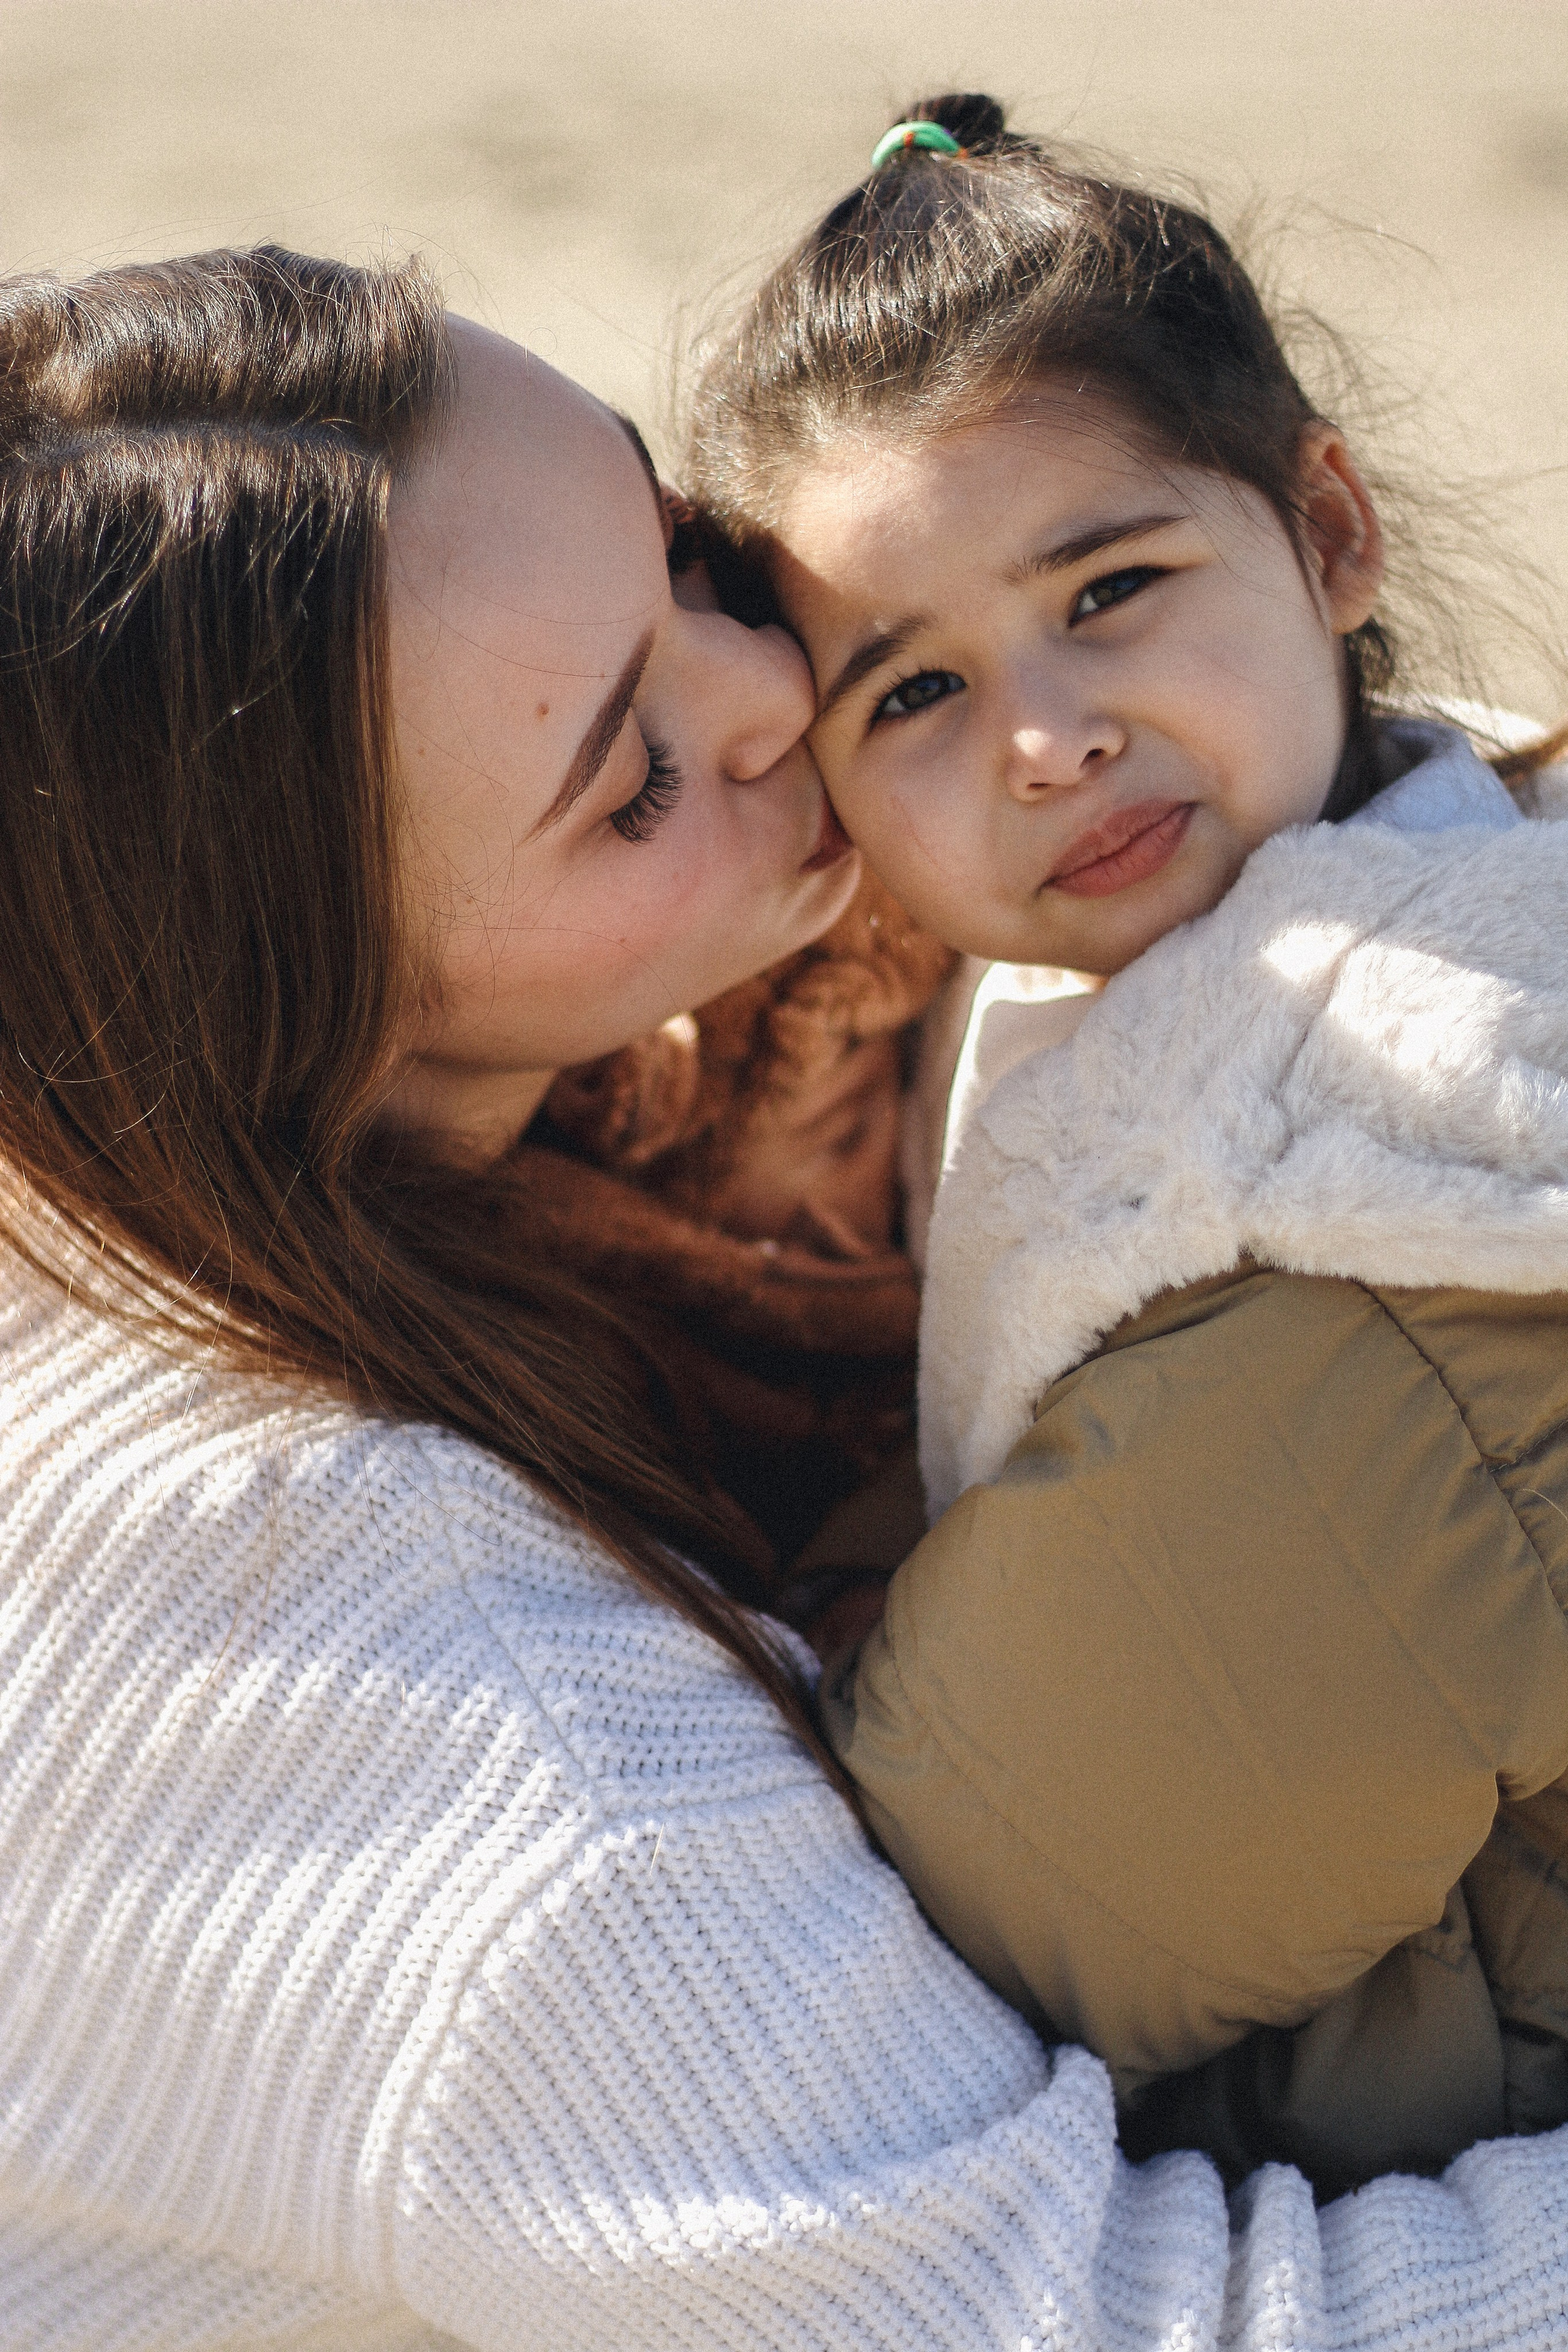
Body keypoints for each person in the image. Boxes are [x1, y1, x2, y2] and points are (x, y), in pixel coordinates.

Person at [0, 241, 1564, 2352]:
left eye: (685, 556)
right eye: (632, 782)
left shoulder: (179, 1151)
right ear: (311, 1005)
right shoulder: (447, 1723)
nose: (777, 695)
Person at [686, 91, 1568, 2196]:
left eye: (1112, 587)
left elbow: (1009, 1911)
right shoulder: (1196, 954)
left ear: (1330, 537)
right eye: (910, 695)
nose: (1046, 736)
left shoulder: (1416, 1172)